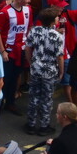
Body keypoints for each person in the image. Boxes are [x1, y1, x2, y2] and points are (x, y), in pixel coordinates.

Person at [0, 0, 33, 116]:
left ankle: (10, 102)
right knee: (4, 78)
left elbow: (29, 28)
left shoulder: (28, 10)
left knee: (16, 77)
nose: (29, 1)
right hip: (9, 52)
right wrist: (2, 50)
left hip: (21, 51)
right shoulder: (5, 12)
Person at [25, 7, 65, 136]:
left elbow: (27, 48)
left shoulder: (34, 31)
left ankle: (30, 124)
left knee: (34, 96)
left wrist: (31, 62)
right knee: (46, 99)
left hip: (36, 69)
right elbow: (59, 56)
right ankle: (43, 126)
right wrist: (61, 71)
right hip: (50, 71)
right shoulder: (57, 36)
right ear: (53, 21)